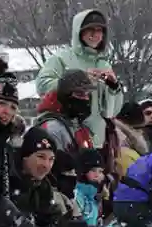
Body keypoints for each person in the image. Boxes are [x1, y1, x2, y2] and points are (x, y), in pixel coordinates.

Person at [34, 9, 123, 148]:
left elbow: (112, 112)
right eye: (90, 30)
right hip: (67, 136)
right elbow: (42, 85)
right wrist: (74, 81)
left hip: (98, 143)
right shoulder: (61, 58)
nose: (95, 34)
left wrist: (114, 88)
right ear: (78, 32)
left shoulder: (104, 64)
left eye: (99, 30)